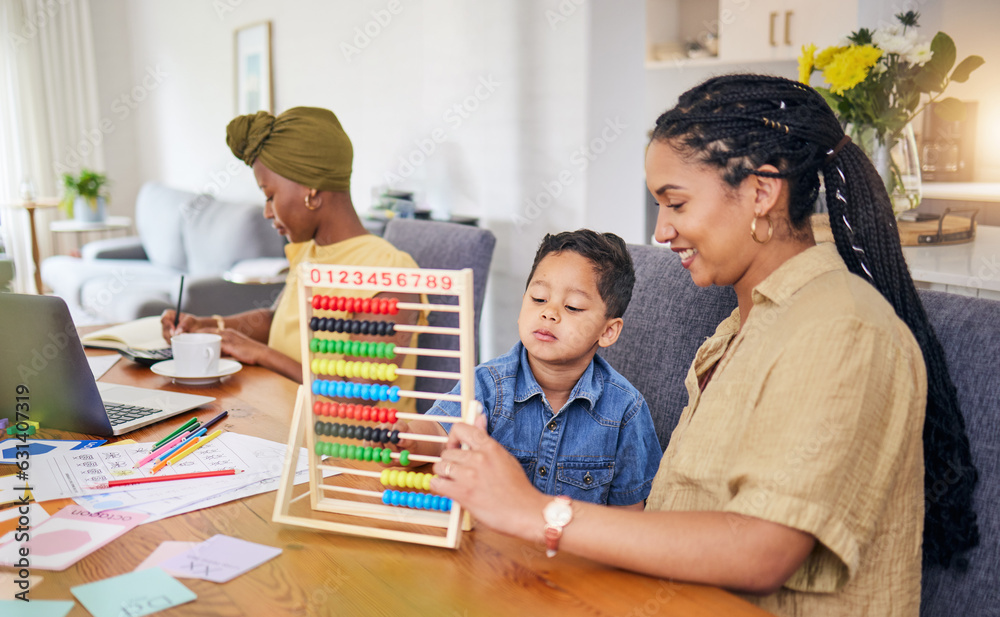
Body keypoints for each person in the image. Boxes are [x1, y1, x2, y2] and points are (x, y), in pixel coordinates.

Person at [428, 75, 979, 616]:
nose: (662, 231)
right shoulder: (737, 330)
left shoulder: (843, 331)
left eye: (677, 203)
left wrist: (538, 511)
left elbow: (762, 551)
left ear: (761, 192)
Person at [161, 107, 424, 411]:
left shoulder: (387, 269)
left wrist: (261, 354)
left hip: (355, 450)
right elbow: (279, 322)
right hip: (283, 419)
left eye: (269, 195)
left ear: (310, 189)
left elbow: (362, 392)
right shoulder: (310, 252)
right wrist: (210, 328)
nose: (267, 212)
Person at [398, 230, 662, 508]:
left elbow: (629, 514)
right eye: (538, 299)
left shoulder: (626, 410)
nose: (549, 312)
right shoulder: (487, 385)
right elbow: (439, 432)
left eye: (572, 306)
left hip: (574, 549)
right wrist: (408, 439)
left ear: (608, 331)